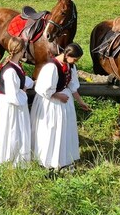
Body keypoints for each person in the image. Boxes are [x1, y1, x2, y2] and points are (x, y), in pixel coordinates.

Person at [31, 42, 92, 171]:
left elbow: (72, 86)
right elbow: (43, 89)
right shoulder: (51, 67)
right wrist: (59, 96)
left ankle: (62, 159)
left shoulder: (70, 66)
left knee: (63, 131)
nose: (75, 62)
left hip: (64, 104)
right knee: (50, 130)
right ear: (67, 55)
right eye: (74, 59)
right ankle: (47, 160)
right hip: (50, 104)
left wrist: (80, 102)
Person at [0, 36, 34, 167]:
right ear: (22, 50)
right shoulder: (10, 71)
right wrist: (23, 91)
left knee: (15, 131)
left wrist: (30, 83)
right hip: (10, 106)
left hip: (12, 104)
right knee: (12, 132)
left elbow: (22, 80)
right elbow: (13, 96)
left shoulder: (15, 66)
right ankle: (10, 161)